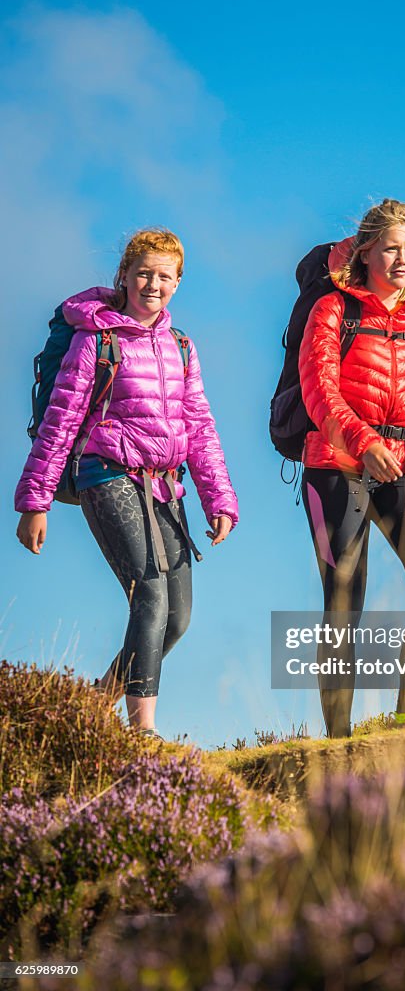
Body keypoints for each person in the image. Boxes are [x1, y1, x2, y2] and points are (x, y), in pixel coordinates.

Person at [15, 228, 238, 738]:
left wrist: (218, 499)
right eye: (143, 273)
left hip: (165, 486)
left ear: (178, 283)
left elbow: (200, 427)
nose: (152, 284)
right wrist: (36, 501)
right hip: (107, 475)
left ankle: (95, 703)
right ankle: (142, 732)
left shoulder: (182, 347)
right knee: (151, 593)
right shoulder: (96, 338)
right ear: (123, 276)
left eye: (164, 276)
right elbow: (61, 419)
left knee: (177, 619)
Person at [299, 198, 405, 738]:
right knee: (345, 594)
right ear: (366, 252)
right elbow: (318, 390)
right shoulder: (333, 311)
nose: (402, 259)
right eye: (392, 248)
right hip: (334, 467)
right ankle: (337, 740)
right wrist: (363, 442)